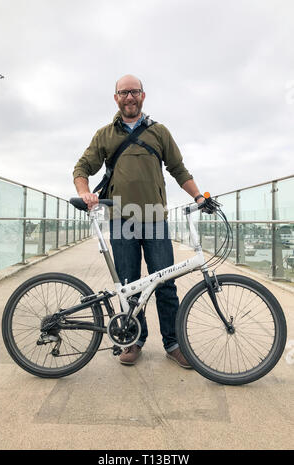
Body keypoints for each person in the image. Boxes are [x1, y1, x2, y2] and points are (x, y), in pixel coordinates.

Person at [73, 74, 205, 368]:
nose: (129, 97)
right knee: (130, 285)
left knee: (166, 284)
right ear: (116, 98)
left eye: (134, 92)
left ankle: (173, 343)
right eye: (123, 92)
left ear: (143, 96)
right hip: (122, 220)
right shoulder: (105, 135)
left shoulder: (159, 132)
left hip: (156, 219)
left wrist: (198, 197)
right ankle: (133, 341)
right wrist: (85, 193)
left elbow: (178, 169)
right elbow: (82, 167)